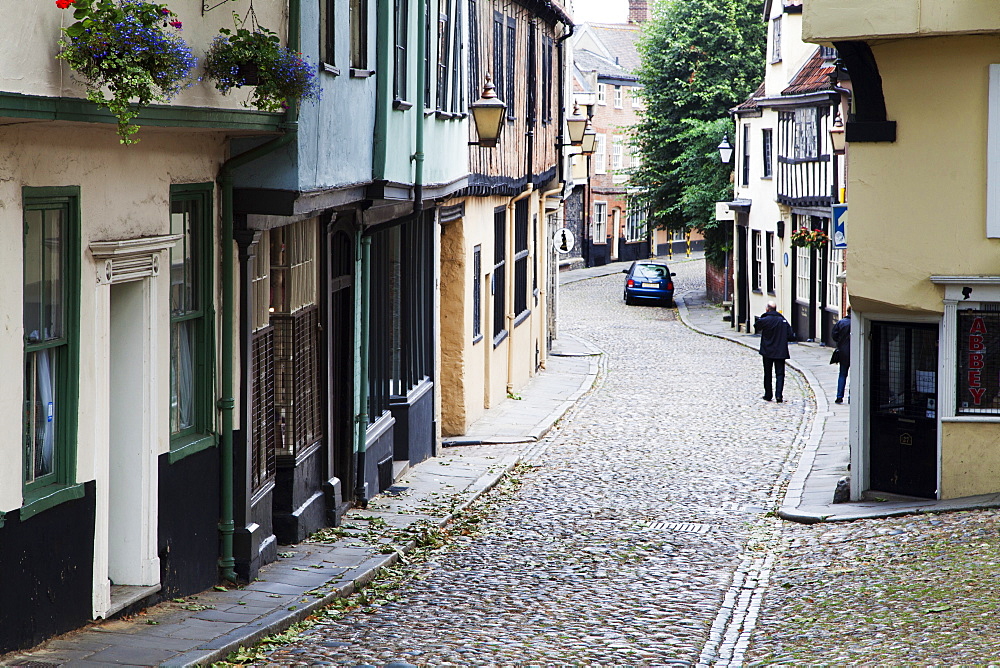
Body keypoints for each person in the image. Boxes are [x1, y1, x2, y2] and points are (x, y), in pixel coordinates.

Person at [754, 301, 794, 403]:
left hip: (767, 351)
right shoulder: (782, 320)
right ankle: (779, 395)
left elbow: (756, 325)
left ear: (767, 309)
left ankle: (768, 395)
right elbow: (791, 335)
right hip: (780, 351)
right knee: (780, 374)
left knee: (768, 373)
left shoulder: (765, 320)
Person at [831, 308, 851, 404]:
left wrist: (840, 342)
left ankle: (839, 396)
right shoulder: (858, 322)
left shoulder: (841, 323)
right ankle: (851, 397)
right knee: (854, 375)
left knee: (842, 374)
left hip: (843, 352)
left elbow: (834, 335)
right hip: (855, 351)